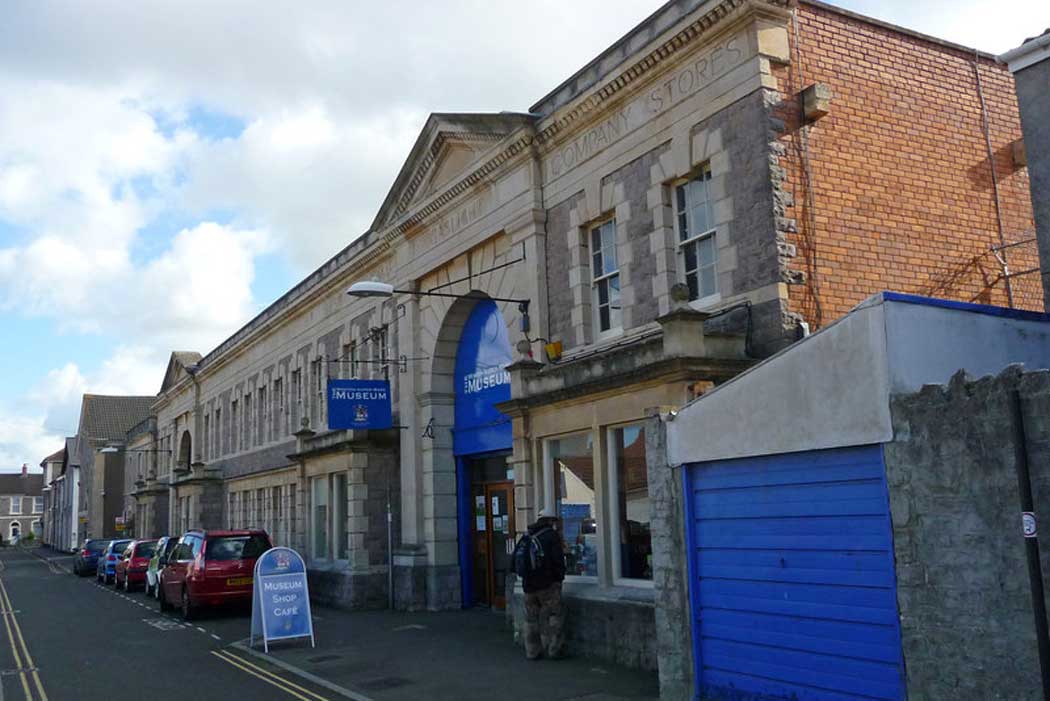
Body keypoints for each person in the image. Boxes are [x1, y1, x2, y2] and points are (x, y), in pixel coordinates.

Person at [522, 507, 566, 660]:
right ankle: (554, 649)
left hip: (528, 586)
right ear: (550, 520)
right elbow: (558, 560)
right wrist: (559, 578)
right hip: (547, 585)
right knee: (555, 615)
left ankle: (532, 651)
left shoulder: (528, 534)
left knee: (531, 619)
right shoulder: (551, 536)